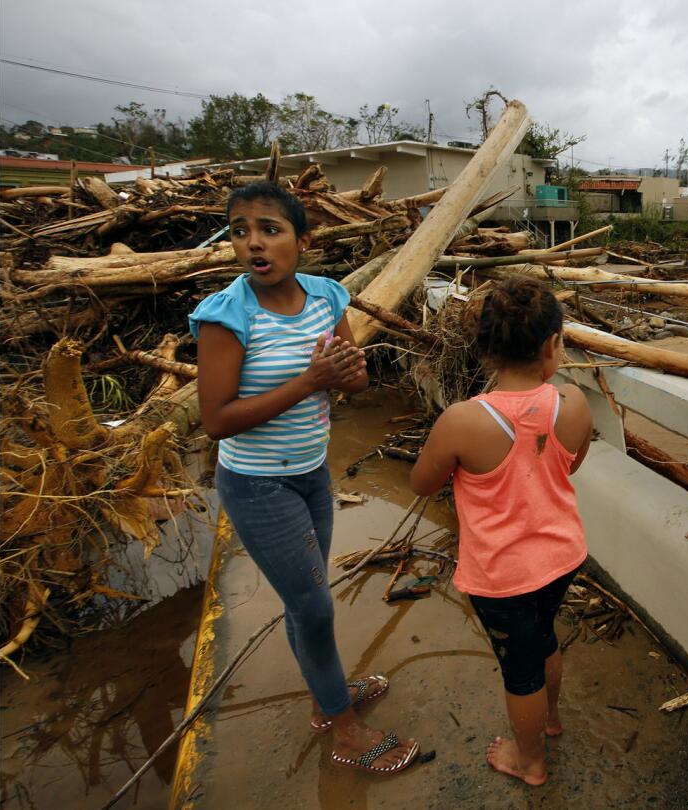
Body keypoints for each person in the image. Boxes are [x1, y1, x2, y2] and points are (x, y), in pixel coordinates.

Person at [189, 181, 420, 775]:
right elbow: (216, 420)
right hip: (258, 484)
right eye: (240, 231)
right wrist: (310, 381)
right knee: (315, 606)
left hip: (313, 473)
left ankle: (327, 698)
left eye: (270, 229)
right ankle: (343, 727)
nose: (253, 243)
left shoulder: (326, 296)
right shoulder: (225, 316)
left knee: (305, 599)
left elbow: (356, 382)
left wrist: (347, 373)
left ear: (303, 240)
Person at [409, 276, 594, 786]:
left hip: (503, 576)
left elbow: (422, 483)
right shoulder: (574, 403)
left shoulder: (463, 421)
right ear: (553, 345)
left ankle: (529, 760)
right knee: (543, 637)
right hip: (561, 556)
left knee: (521, 669)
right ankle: (549, 722)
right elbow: (570, 466)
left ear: (485, 349)